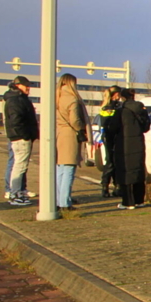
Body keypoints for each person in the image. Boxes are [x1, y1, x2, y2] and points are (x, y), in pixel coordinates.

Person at [107, 88, 150, 209]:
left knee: (125, 172)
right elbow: (146, 127)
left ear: (122, 97)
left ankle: (128, 202)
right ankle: (139, 200)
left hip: (124, 145)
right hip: (138, 143)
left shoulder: (121, 112)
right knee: (138, 171)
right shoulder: (141, 110)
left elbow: (112, 129)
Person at [55, 73, 91, 211]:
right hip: (69, 136)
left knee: (60, 169)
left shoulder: (56, 97)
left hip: (58, 134)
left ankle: (58, 200)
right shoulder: (72, 99)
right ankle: (65, 202)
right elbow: (74, 120)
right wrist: (82, 127)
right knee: (69, 169)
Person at [3, 76, 38, 207]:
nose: (28, 88)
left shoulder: (16, 98)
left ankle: (17, 192)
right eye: (25, 85)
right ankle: (15, 194)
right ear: (17, 85)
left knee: (20, 165)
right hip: (20, 138)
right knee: (19, 166)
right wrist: (25, 135)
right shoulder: (16, 100)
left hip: (19, 137)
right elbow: (16, 119)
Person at [97, 85, 122, 197]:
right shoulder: (108, 108)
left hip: (112, 137)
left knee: (115, 162)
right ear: (115, 95)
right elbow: (108, 123)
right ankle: (105, 187)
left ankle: (116, 186)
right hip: (110, 137)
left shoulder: (111, 107)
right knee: (111, 162)